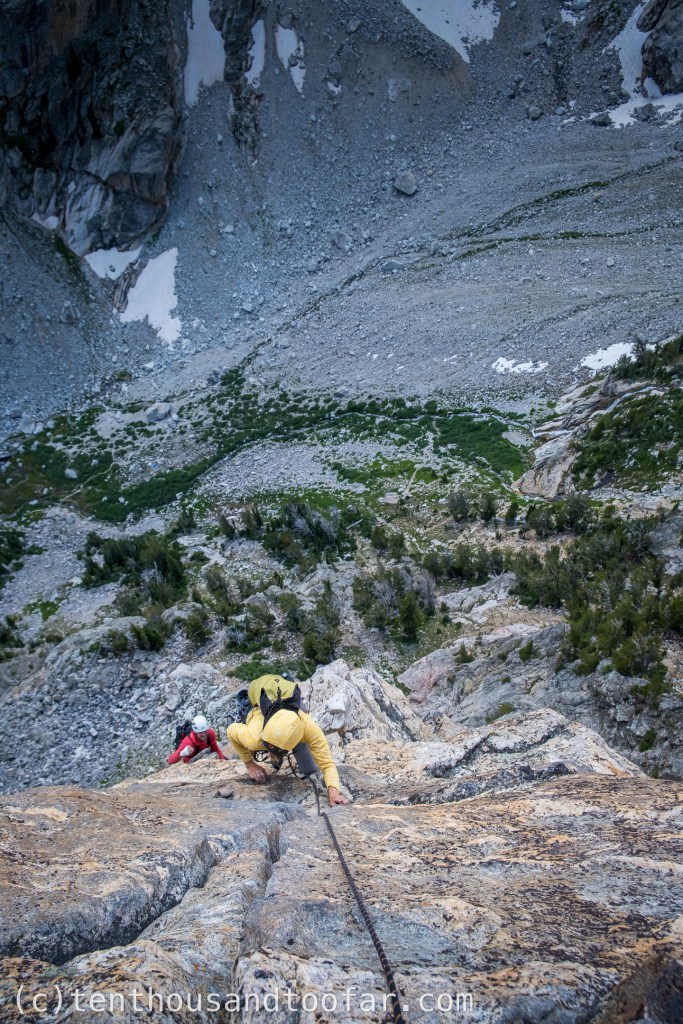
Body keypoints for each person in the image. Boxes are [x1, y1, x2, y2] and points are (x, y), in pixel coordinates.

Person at [226, 674, 349, 806]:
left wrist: (334, 794)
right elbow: (231, 730)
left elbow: (327, 764)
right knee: (257, 743)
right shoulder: (257, 738)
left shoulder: (309, 728)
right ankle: (249, 709)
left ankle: (286, 682)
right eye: (268, 748)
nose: (269, 755)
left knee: (309, 769)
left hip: (288, 702)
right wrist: (250, 765)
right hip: (258, 694)